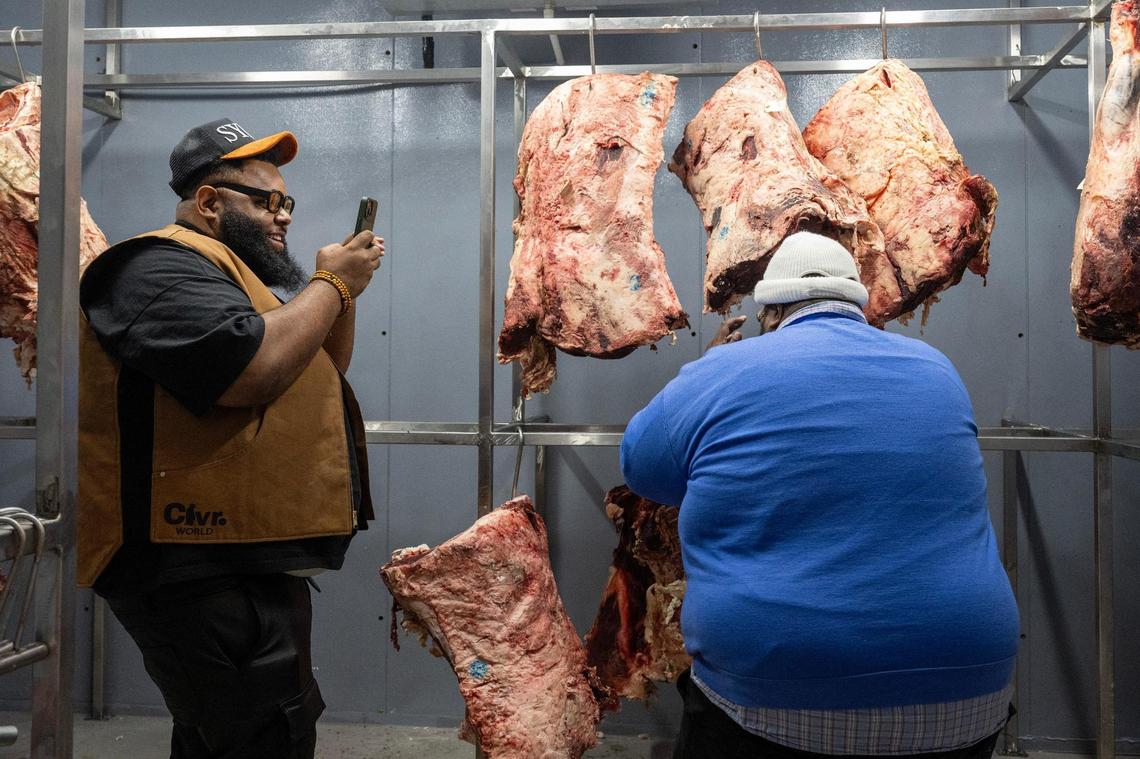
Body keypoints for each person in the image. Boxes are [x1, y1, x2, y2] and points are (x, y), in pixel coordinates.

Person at [621, 231, 1020, 759]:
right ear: (858, 303)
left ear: (771, 312)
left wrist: (706, 377)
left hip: (775, 700)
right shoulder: (935, 368)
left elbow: (641, 469)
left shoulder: (724, 370)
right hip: (969, 689)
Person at [77, 118, 383, 759]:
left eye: (287, 203)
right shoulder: (152, 267)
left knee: (238, 733)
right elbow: (252, 371)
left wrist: (340, 294)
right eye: (268, 201)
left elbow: (316, 373)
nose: (285, 217)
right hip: (183, 561)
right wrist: (330, 285)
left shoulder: (228, 280)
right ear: (209, 202)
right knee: (261, 738)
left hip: (232, 552)